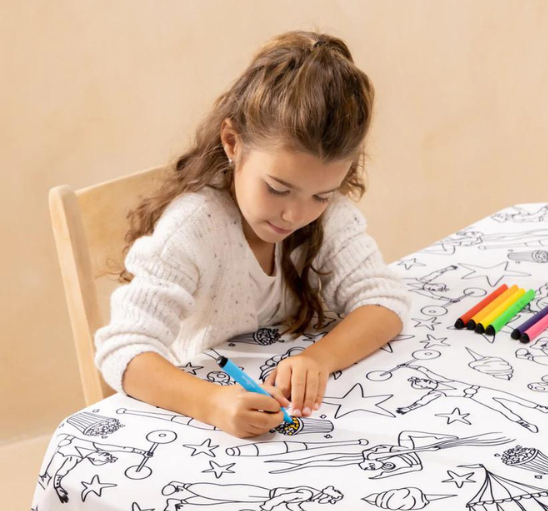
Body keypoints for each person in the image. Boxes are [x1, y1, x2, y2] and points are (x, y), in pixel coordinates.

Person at [94, 30, 411, 439]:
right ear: (232, 142)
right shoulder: (194, 228)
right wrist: (212, 402)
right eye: (277, 189)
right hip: (202, 421)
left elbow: (384, 300)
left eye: (321, 195)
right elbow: (123, 349)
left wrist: (318, 358)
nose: (294, 215)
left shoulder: (327, 217)